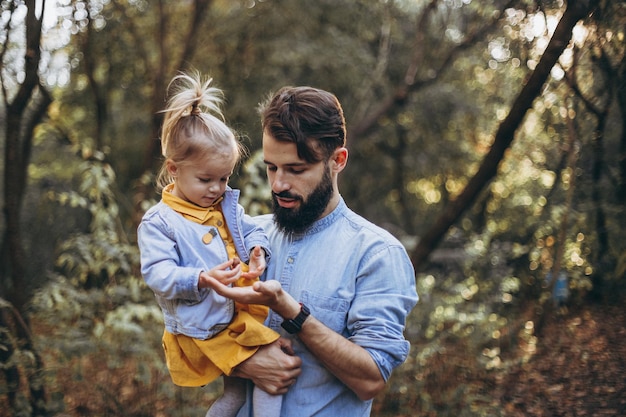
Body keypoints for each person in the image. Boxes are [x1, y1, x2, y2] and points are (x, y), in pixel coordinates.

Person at [204, 86, 419, 416]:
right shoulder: (244, 238)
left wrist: (293, 312)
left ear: (338, 161)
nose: (278, 184)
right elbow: (188, 326)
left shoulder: (377, 254)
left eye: (296, 169)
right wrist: (243, 363)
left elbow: (371, 379)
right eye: (272, 167)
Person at [137, 72, 284, 417]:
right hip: (205, 327)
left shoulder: (223, 205)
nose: (217, 188)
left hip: (235, 317)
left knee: (237, 396)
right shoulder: (160, 222)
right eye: (206, 179)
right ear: (174, 169)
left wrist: (258, 250)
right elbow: (157, 275)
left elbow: (250, 231)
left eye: (224, 178)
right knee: (273, 373)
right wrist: (202, 277)